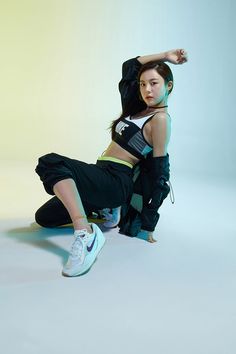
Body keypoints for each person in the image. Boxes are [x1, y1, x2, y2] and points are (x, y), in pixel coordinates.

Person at [35, 48, 188, 277]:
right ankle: (106, 210)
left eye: (154, 83)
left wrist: (147, 225)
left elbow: (159, 174)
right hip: (102, 173)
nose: (147, 89)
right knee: (44, 218)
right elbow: (129, 66)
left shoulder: (161, 119)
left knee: (51, 162)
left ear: (169, 86)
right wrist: (166, 56)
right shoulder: (137, 110)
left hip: (117, 180)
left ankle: (85, 233)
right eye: (143, 84)